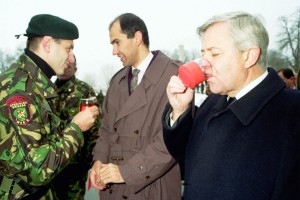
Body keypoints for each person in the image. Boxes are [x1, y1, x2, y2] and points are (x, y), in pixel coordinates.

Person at [162, 11, 300, 200]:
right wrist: (179, 111)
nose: (204, 64)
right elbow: (185, 158)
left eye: (215, 53)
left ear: (249, 56)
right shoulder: (213, 103)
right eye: (203, 54)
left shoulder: (292, 112)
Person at [0, 14, 99, 200]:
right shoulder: (20, 90)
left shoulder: (34, 84)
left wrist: (71, 123)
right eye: (68, 49)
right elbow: (39, 170)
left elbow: (45, 134)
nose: (71, 58)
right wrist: (76, 128)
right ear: (47, 44)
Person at [89, 13, 182, 200]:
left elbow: (172, 141)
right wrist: (98, 161)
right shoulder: (117, 81)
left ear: (137, 38)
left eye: (117, 42)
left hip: (154, 188)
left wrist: (126, 173)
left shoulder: (174, 76)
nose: (114, 51)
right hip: (114, 189)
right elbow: (106, 130)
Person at [53, 54, 99, 199]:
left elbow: (95, 129)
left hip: (75, 165)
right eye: (63, 63)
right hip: (50, 163)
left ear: (76, 69)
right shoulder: (47, 90)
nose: (65, 68)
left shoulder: (84, 91)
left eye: (69, 65)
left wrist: (90, 161)